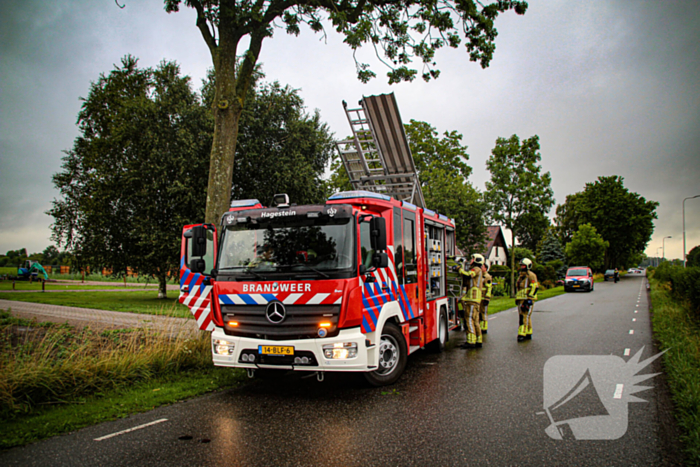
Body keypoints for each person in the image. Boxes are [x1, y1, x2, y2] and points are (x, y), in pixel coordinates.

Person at [456, 253, 485, 348]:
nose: (471, 260)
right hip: (474, 299)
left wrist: (458, 269)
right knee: (475, 320)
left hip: (472, 298)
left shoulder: (476, 269)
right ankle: (478, 340)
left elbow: (468, 275)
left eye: (473, 259)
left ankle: (471, 341)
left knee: (469, 319)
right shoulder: (478, 270)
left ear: (477, 260)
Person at [516, 258, 538, 342]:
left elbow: (534, 287)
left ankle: (521, 333)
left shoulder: (531, 275)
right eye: (521, 265)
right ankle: (528, 331)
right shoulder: (520, 276)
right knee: (524, 315)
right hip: (521, 299)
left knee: (524, 316)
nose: (522, 267)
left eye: (524, 265)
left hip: (527, 299)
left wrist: (530, 299)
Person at [480, 263, 493, 333]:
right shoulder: (480, 276)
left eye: (482, 267)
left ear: (485, 268)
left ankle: (484, 327)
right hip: (479, 298)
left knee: (484, 313)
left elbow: (489, 288)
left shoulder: (487, 277)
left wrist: (487, 298)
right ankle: (481, 326)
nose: (481, 268)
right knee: (480, 313)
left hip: (484, 298)